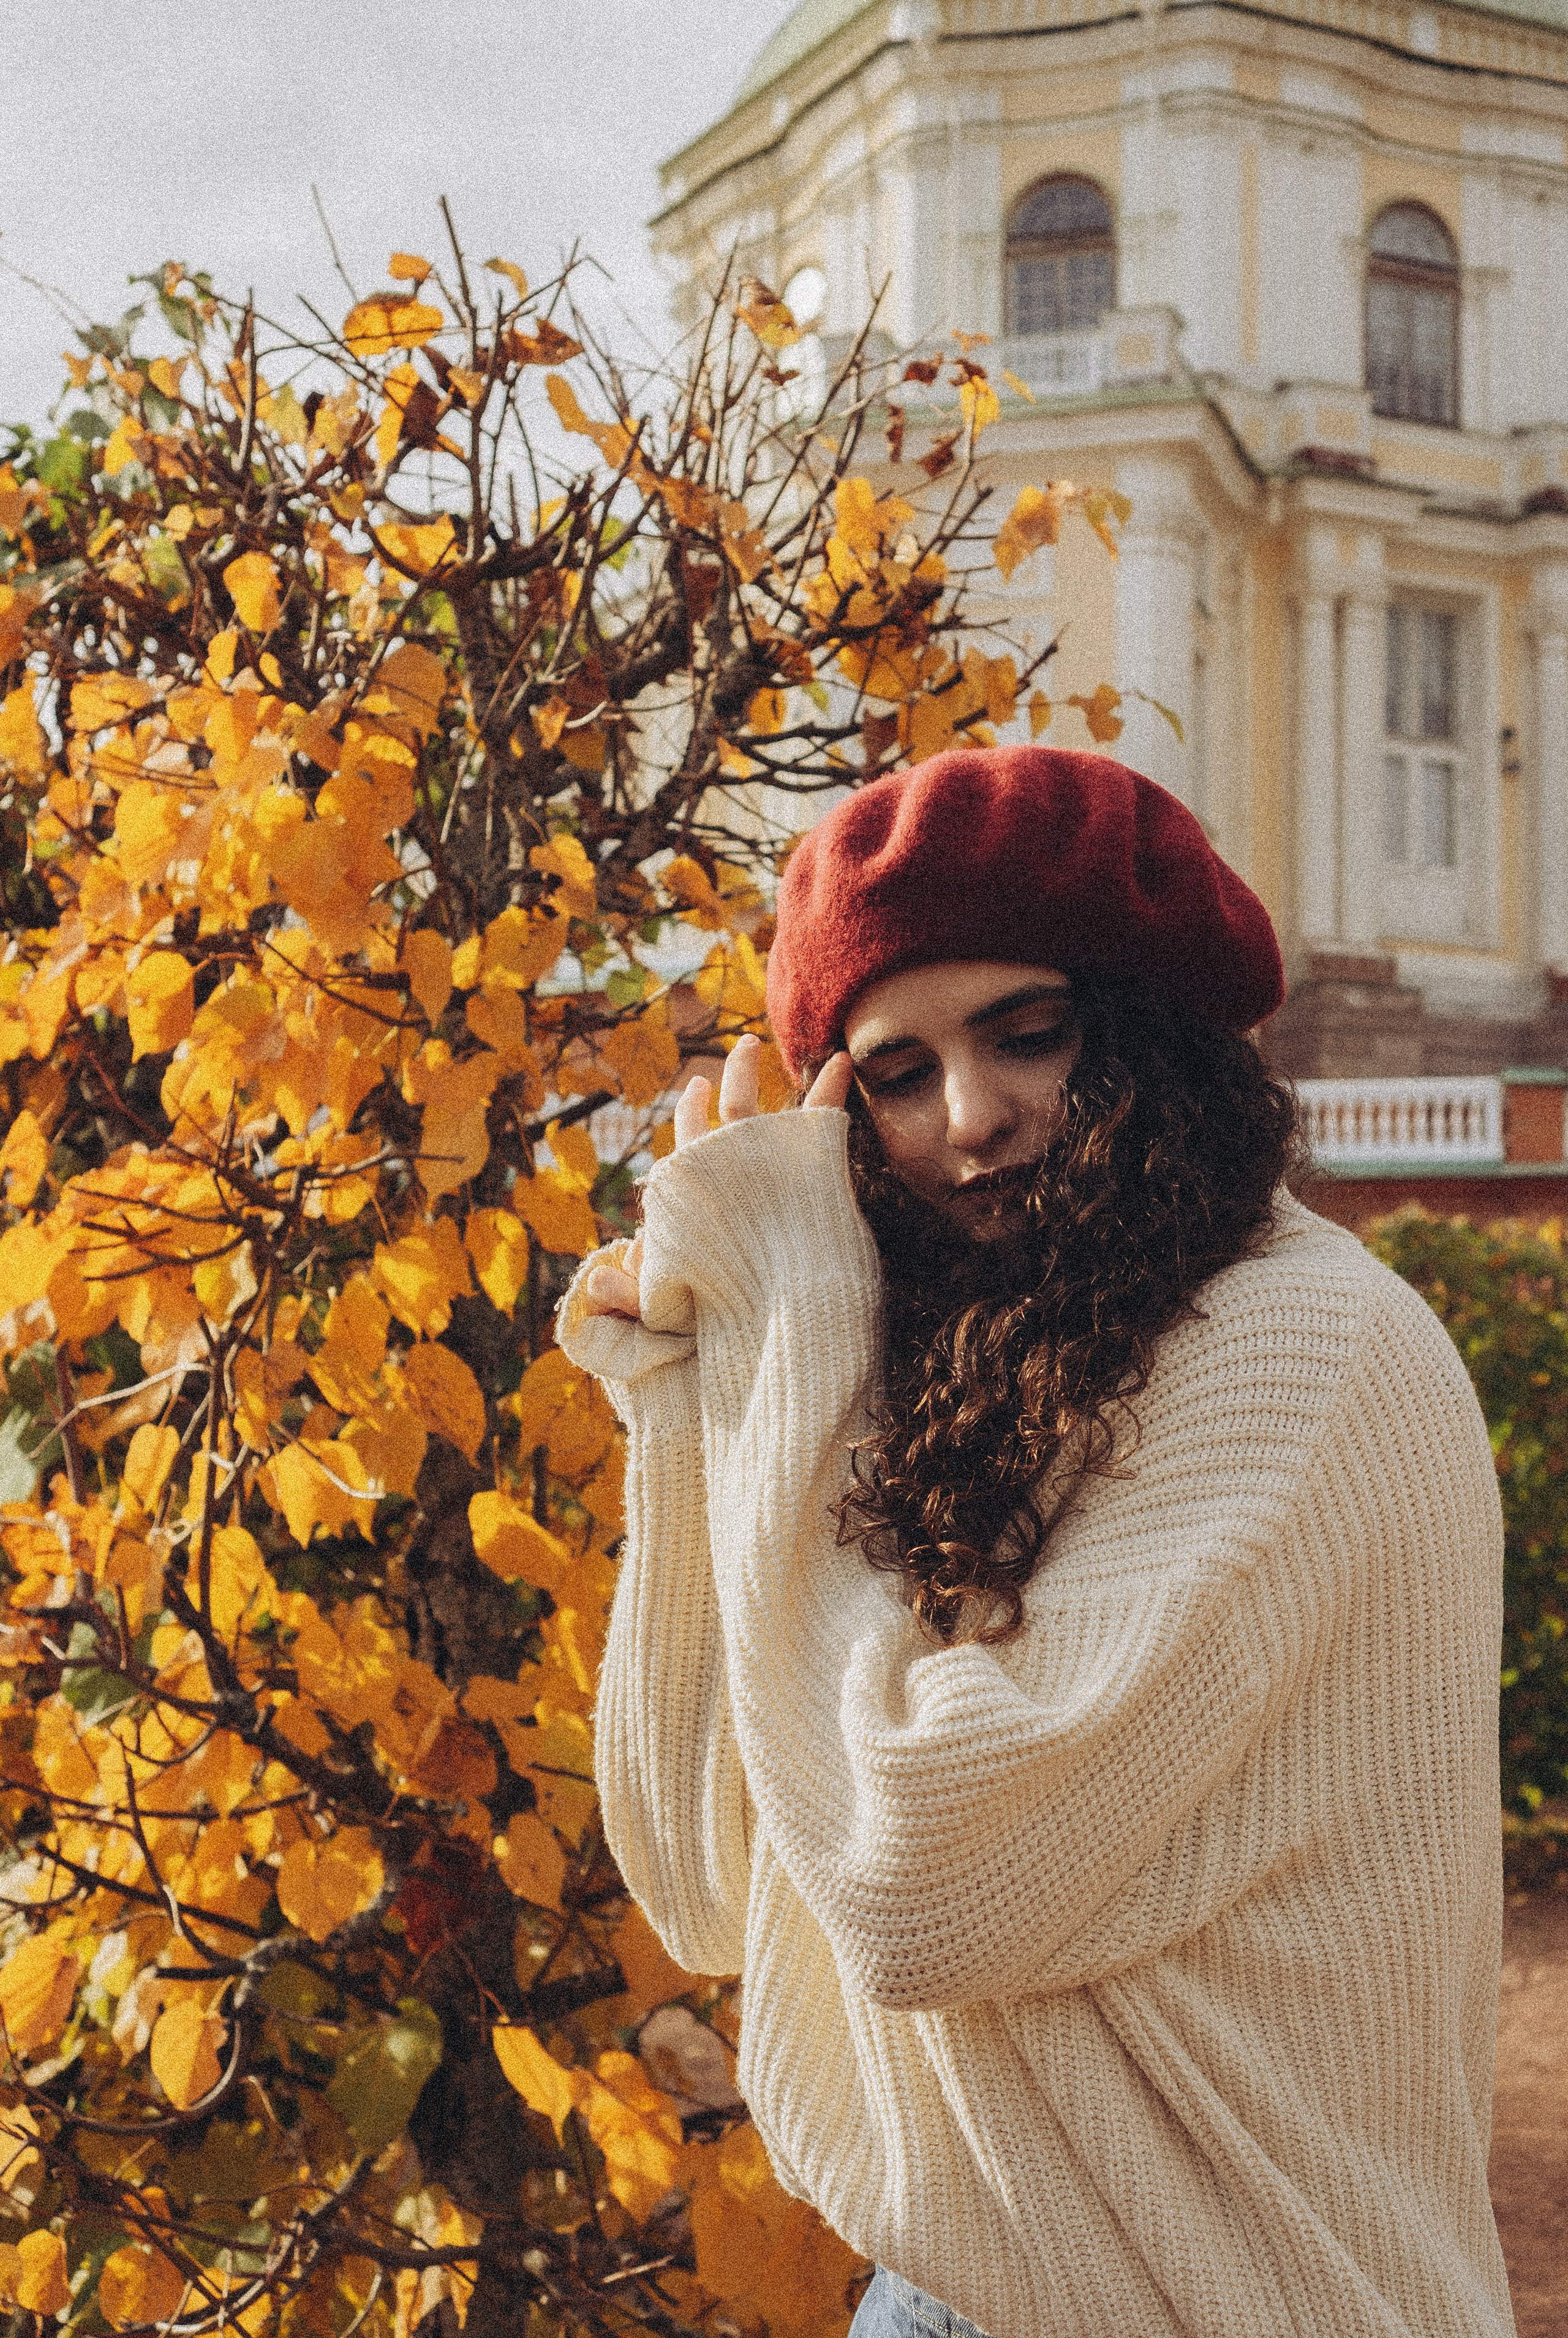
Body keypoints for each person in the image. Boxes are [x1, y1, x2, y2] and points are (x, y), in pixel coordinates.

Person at [557, 747, 1513, 2338]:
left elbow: (917, 1890)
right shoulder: (994, 1371)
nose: (972, 1118)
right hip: (964, 2286)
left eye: (1029, 1034)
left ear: (1151, 1030)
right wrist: (706, 1387)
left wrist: (795, 1328)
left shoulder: (1296, 1346)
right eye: (895, 1075)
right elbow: (704, 1874)